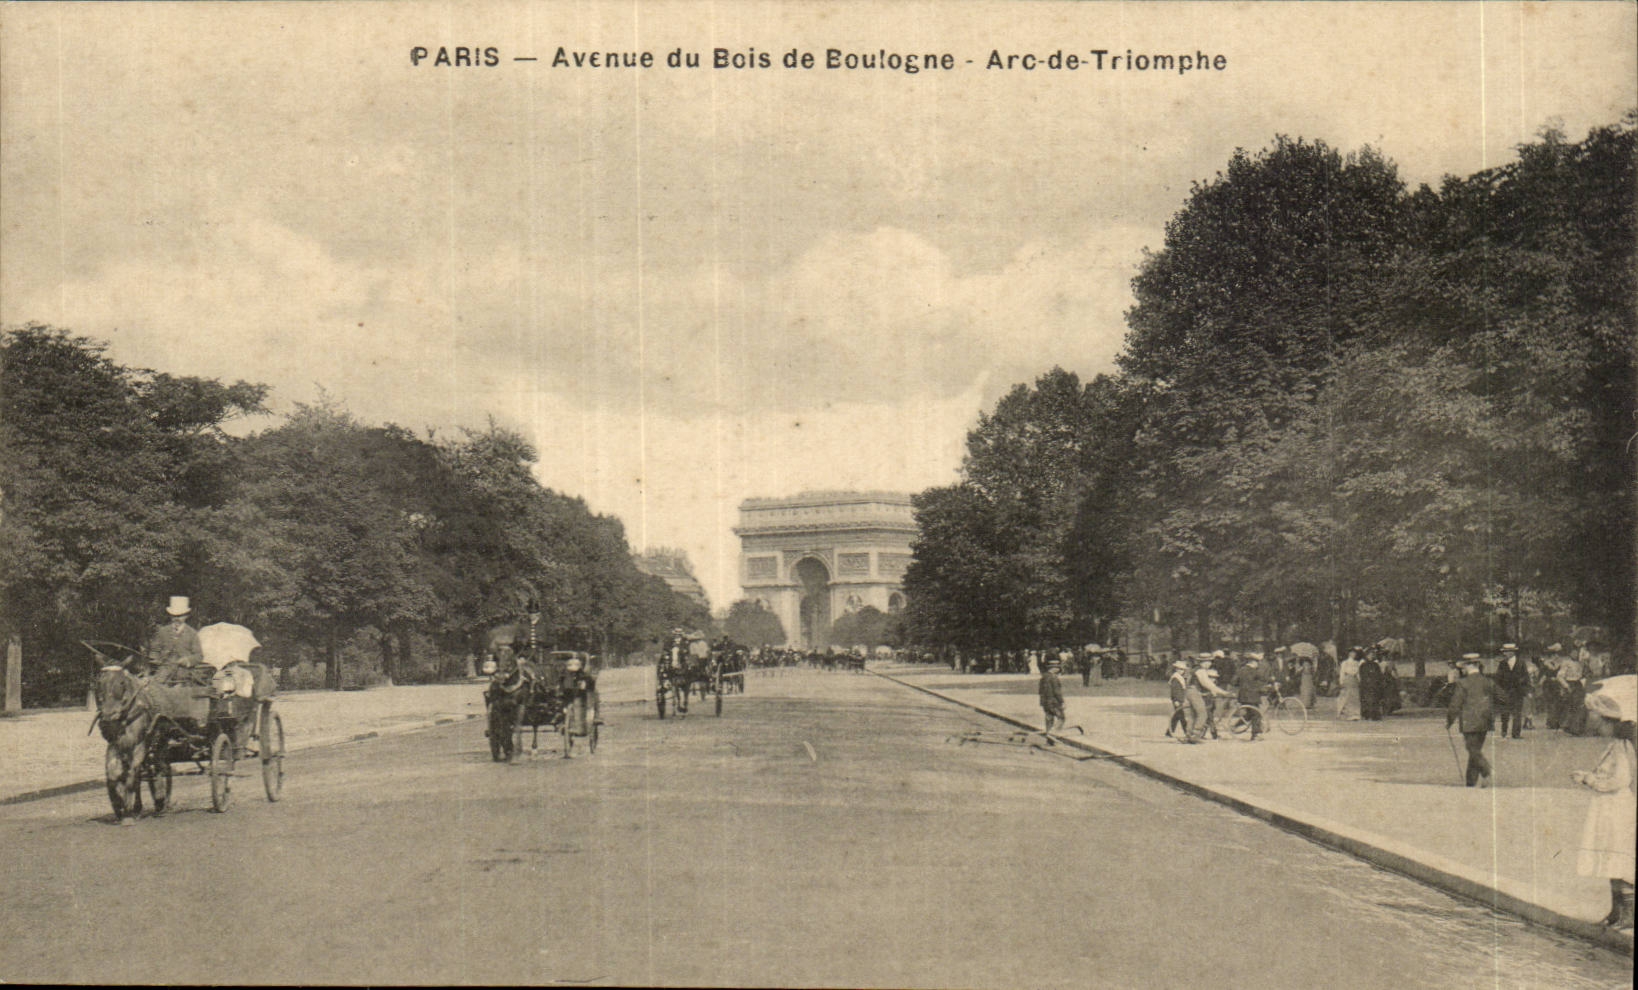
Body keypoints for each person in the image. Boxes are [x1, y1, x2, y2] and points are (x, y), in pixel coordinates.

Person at [1572, 676, 1635, 931]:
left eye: (1596, 718)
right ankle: (1616, 911)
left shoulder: (1623, 747)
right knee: (1611, 859)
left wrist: (1589, 779)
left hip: (1617, 808)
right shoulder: (1616, 744)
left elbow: (1619, 779)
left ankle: (1628, 915)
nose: (1593, 723)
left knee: (1619, 857)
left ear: (1608, 720)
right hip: (1609, 808)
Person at [1446, 655, 1495, 788]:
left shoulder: (1463, 683)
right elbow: (1498, 698)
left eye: (1465, 667)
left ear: (1468, 666)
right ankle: (1470, 782)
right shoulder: (1488, 681)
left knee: (1472, 749)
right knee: (1475, 749)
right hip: (1485, 721)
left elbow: (1456, 704)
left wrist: (1449, 720)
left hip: (1469, 721)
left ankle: (1486, 770)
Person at [147, 596, 204, 667]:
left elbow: (199, 655)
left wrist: (187, 660)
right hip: (163, 671)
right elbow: (154, 650)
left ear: (187, 616)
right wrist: (154, 658)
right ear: (170, 616)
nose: (176, 619)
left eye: (180, 616)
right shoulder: (162, 631)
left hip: (184, 673)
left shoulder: (192, 633)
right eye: (174, 616)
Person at [1492, 643, 1530, 739]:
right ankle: (1504, 730)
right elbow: (1498, 678)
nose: (1505, 654)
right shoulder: (1502, 663)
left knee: (1517, 713)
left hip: (1518, 692)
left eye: (1507, 652)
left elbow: (1526, 677)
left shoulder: (1521, 663)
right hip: (1506, 691)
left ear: (1512, 652)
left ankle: (1516, 734)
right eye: (1504, 652)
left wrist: (1526, 690)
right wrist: (1499, 691)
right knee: (1505, 713)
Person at [1193, 654, 1232, 741]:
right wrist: (1223, 693)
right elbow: (1208, 685)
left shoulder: (1202, 670)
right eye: (1208, 661)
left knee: (1208, 717)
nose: (1209, 663)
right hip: (1203, 698)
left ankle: (1205, 734)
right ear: (1202, 662)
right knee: (1207, 717)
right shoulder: (1200, 671)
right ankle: (1210, 734)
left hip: (1208, 700)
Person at [1235, 655, 1271, 741]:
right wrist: (1271, 681)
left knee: (1249, 714)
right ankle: (1255, 735)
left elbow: (1234, 681)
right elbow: (1264, 679)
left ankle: (1235, 725)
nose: (1258, 664)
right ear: (1253, 662)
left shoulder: (1240, 670)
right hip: (1253, 696)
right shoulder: (1254, 671)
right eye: (1257, 662)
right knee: (1256, 714)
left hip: (1243, 697)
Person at [1038, 655, 1065, 734]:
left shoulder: (1044, 677)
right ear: (1054, 668)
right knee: (1061, 718)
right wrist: (1062, 702)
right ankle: (1053, 734)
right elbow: (1057, 692)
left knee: (1049, 719)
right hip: (1054, 702)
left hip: (1045, 702)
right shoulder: (1054, 678)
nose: (1058, 669)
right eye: (1058, 668)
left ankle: (1049, 737)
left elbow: (1040, 691)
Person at [1167, 659, 1192, 739]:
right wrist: (1176, 700)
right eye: (1179, 669)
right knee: (1181, 716)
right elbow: (1175, 690)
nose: (1181, 671)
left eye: (1182, 669)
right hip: (1177, 699)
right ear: (1176, 669)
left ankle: (1169, 731)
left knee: (1177, 716)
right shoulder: (1175, 678)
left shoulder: (1179, 677)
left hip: (1179, 699)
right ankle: (1186, 731)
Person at [1338, 649, 1362, 720]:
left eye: (1354, 653)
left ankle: (1355, 714)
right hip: (1347, 679)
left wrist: (1359, 680)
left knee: (1355, 697)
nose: (1353, 655)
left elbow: (1358, 673)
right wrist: (1341, 682)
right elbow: (1342, 672)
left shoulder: (1357, 663)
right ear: (1349, 654)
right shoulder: (1345, 663)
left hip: (1354, 680)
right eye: (1352, 653)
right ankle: (1347, 714)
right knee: (1347, 696)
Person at [1359, 648, 1383, 720]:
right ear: (1366, 656)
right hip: (1366, 685)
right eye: (1369, 655)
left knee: (1375, 699)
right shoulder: (1363, 665)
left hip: (1374, 684)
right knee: (1366, 699)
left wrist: (1377, 682)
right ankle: (1367, 714)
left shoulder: (1376, 665)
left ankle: (1375, 714)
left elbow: (1379, 675)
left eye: (1372, 655)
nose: (1371, 656)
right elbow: (1362, 675)